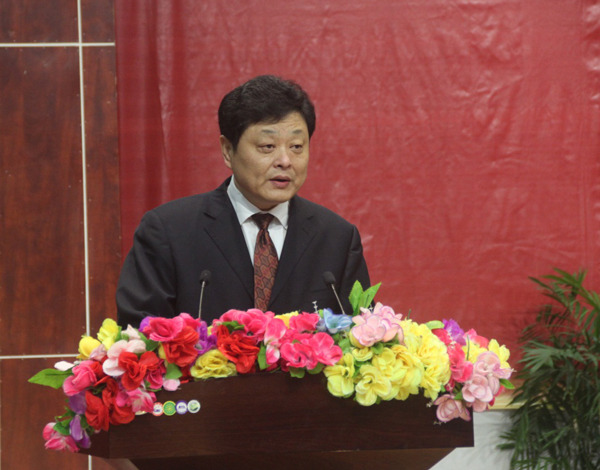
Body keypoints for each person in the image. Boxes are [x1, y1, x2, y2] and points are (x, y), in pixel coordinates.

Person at [117, 75, 370, 328]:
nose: (285, 161)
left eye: (296, 146)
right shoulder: (169, 232)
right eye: (267, 146)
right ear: (228, 150)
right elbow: (139, 336)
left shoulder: (337, 239)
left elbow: (360, 337)